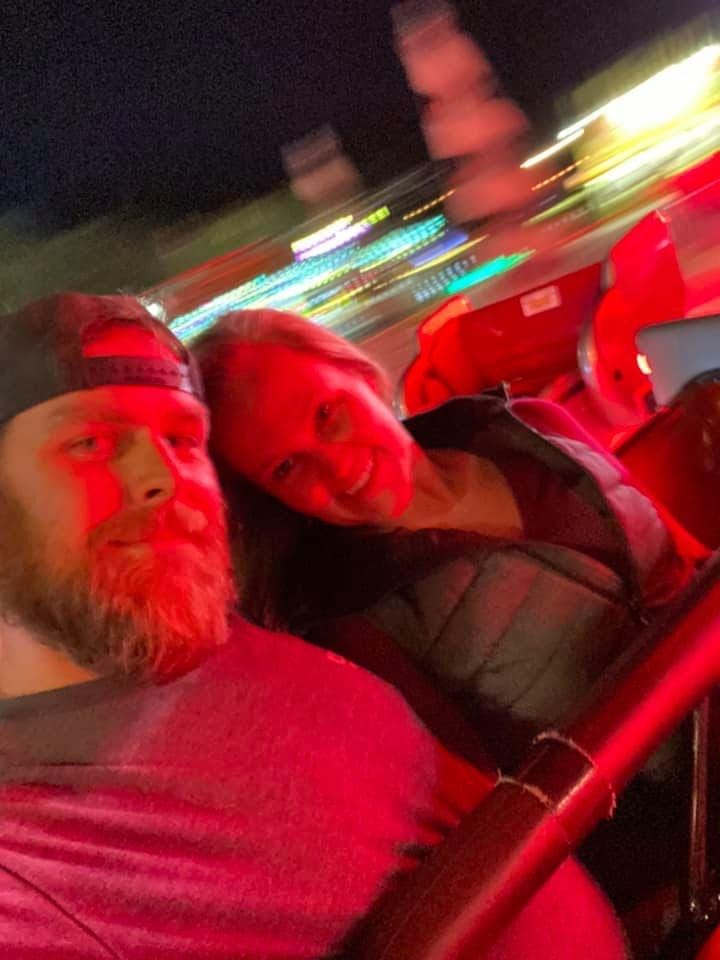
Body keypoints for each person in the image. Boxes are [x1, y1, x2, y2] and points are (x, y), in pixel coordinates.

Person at [0, 292, 629, 959]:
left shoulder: (219, 643)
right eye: (89, 442)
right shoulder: (33, 862)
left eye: (183, 440)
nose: (163, 476)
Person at [194, 308, 700, 768]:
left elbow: (687, 563)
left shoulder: (530, 425)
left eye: (327, 413)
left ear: (361, 375)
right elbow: (505, 804)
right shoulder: (361, 636)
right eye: (285, 467)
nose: (338, 465)